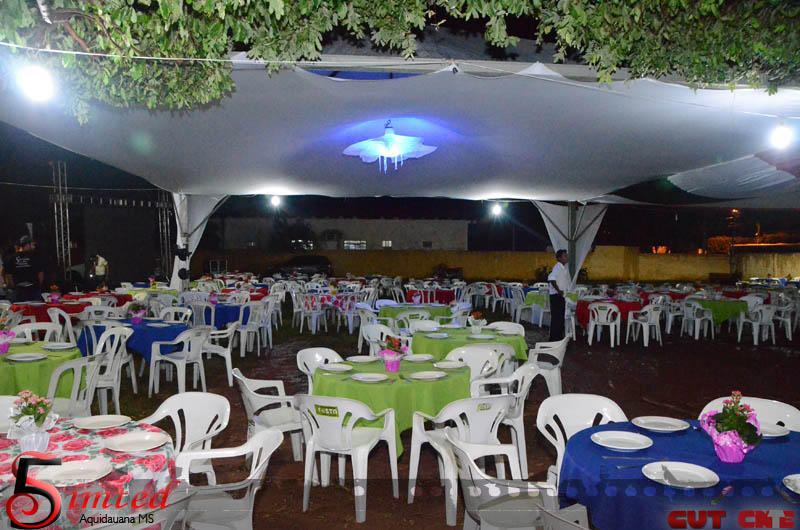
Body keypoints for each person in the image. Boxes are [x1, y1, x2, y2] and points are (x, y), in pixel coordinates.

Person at [6, 236, 44, 302]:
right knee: (36, 308)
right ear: (27, 245)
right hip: (33, 291)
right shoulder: (35, 257)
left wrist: (14, 287)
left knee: (19, 308)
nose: (34, 247)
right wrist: (37, 287)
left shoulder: (11, 258)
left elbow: (9, 275)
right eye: (32, 245)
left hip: (19, 291)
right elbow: (40, 274)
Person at [547, 249, 570, 341]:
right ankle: (554, 338)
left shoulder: (563, 268)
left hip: (560, 296)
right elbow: (551, 279)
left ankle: (558, 337)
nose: (567, 257)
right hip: (556, 296)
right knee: (557, 318)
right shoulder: (557, 267)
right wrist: (558, 290)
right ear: (559, 258)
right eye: (565, 256)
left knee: (560, 317)